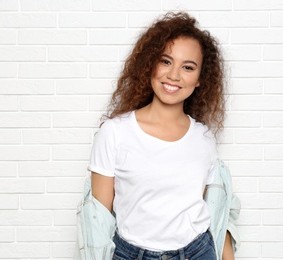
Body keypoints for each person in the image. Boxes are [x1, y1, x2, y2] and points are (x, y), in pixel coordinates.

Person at [87, 11, 236, 260]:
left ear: (200, 79)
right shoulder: (114, 132)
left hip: (198, 253)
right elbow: (97, 224)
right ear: (150, 64)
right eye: (166, 61)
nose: (174, 75)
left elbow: (216, 212)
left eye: (188, 67)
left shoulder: (204, 139)